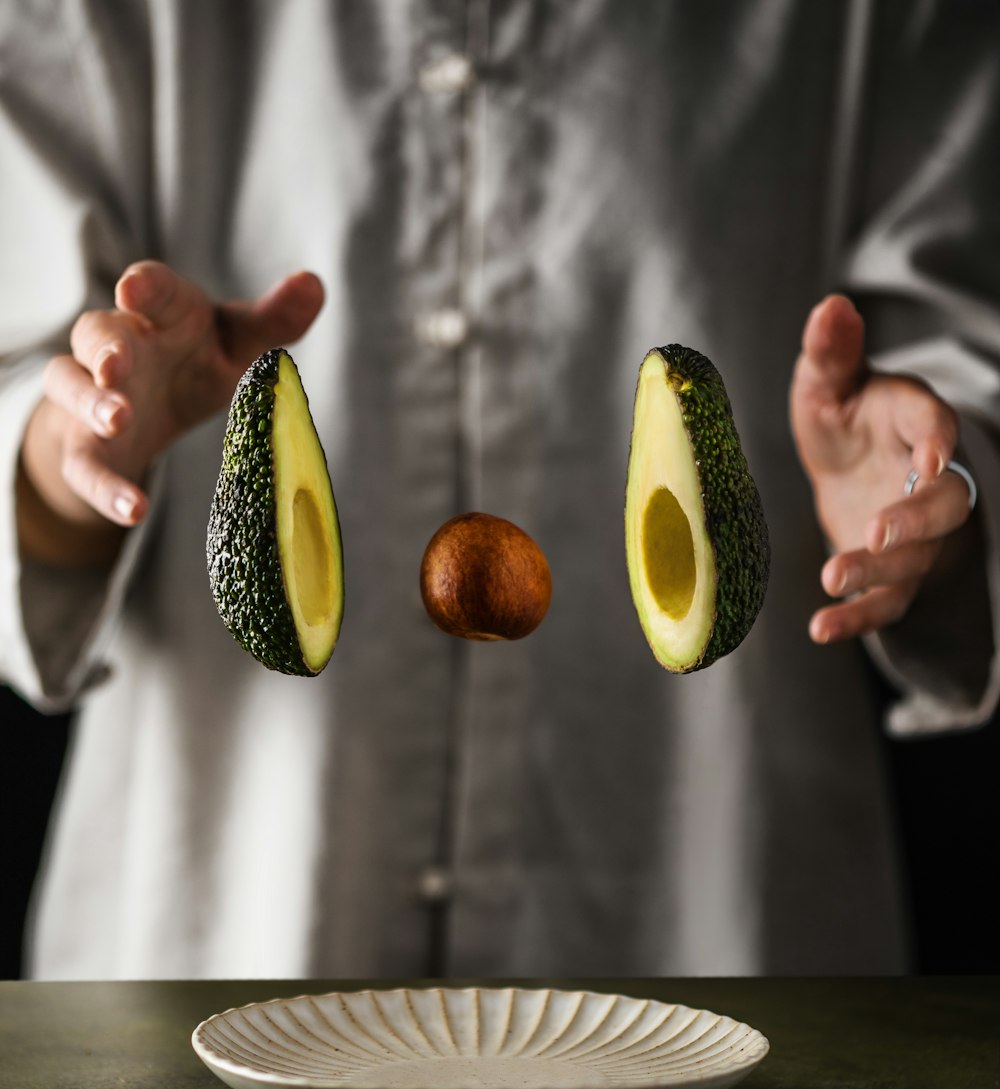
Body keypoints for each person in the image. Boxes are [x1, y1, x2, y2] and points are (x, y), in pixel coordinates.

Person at [1, 0, 998, 979]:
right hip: (229, 920)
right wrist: (83, 441)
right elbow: (23, 393)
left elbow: (967, 374)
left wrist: (927, 500)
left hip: (716, 915)